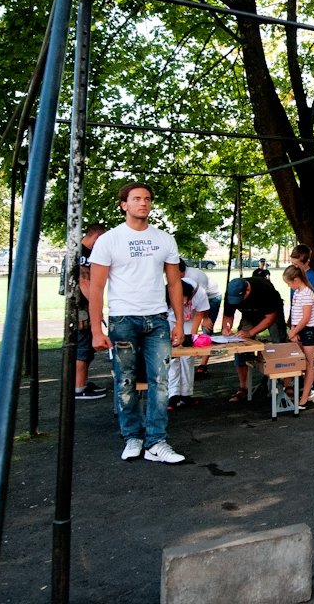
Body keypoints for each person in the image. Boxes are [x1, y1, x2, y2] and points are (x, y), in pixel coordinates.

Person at [88, 182, 186, 464]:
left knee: (161, 381)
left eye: (147, 199)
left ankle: (156, 441)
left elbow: (175, 282)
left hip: (157, 319)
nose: (143, 203)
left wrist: (178, 321)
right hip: (123, 319)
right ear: (124, 204)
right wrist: (97, 329)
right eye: (136, 199)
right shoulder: (109, 240)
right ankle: (132, 436)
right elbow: (96, 288)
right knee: (126, 380)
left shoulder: (164, 239)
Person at [221, 276, 288, 403]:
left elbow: (270, 318)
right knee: (239, 345)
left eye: (240, 299)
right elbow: (228, 315)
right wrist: (226, 328)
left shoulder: (264, 290)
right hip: (249, 315)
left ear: (247, 291)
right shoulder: (231, 291)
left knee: (278, 343)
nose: (237, 302)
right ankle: (243, 387)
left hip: (271, 312)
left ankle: (282, 384)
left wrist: (250, 332)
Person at [283, 264, 314, 409]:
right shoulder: (298, 292)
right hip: (300, 330)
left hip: (309, 330)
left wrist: (294, 331)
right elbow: (296, 315)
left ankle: (304, 398)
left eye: (289, 283)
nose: (288, 286)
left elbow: (306, 318)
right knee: (303, 362)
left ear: (296, 279)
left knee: (308, 364)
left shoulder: (307, 293)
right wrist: (293, 330)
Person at [74, 223, 108, 400]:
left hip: (85, 306)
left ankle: (83, 383)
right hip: (81, 308)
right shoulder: (79, 254)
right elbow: (84, 282)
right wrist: (96, 308)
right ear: (97, 237)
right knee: (84, 347)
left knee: (86, 347)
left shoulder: (85, 253)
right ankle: (79, 388)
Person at [166, 278, 209, 409]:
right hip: (171, 321)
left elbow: (199, 315)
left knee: (188, 357)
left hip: (189, 322)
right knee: (173, 358)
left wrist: (191, 337)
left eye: (185, 299)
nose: (183, 302)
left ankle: (186, 394)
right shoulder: (165, 294)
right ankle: (173, 395)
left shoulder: (199, 293)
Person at [179, 259, 223, 377]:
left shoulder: (196, 277)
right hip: (195, 299)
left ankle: (203, 364)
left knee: (206, 328)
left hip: (212, 297)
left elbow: (202, 303)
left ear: (179, 270)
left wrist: (206, 318)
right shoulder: (180, 279)